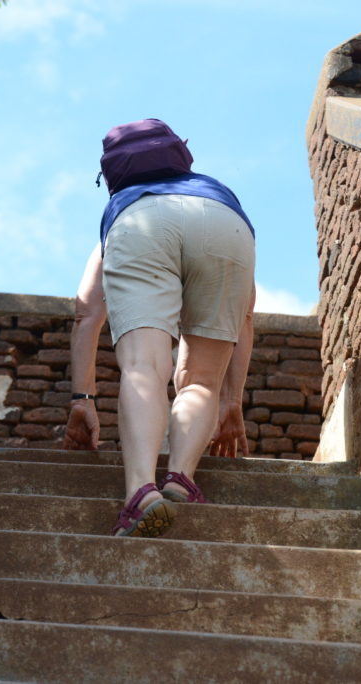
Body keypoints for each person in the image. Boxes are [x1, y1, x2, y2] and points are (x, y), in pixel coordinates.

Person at [63, 118, 256, 538]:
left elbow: (87, 314)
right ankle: (180, 479)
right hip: (228, 227)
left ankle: (141, 494)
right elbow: (244, 317)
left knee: (144, 369)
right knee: (202, 381)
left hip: (142, 229)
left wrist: (83, 399)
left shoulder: (127, 203)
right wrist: (232, 401)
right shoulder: (215, 191)